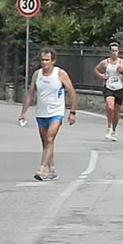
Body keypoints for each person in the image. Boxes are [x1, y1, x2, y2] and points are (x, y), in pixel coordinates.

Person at [18, 47, 78, 181]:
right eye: (42, 60)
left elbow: (72, 92)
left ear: (53, 61)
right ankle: (52, 170)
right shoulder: (37, 74)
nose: (44, 63)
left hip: (56, 112)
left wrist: (72, 112)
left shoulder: (60, 74)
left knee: (50, 139)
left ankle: (42, 169)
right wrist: (23, 112)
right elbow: (30, 93)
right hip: (41, 113)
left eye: (47, 60)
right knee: (45, 142)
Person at [94, 42, 123, 141]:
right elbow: (96, 69)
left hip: (119, 88)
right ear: (110, 52)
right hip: (108, 87)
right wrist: (101, 76)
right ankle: (109, 127)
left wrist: (122, 71)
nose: (114, 53)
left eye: (116, 51)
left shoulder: (122, 62)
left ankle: (113, 131)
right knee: (110, 107)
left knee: (116, 111)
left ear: (118, 52)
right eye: (113, 51)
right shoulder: (105, 62)